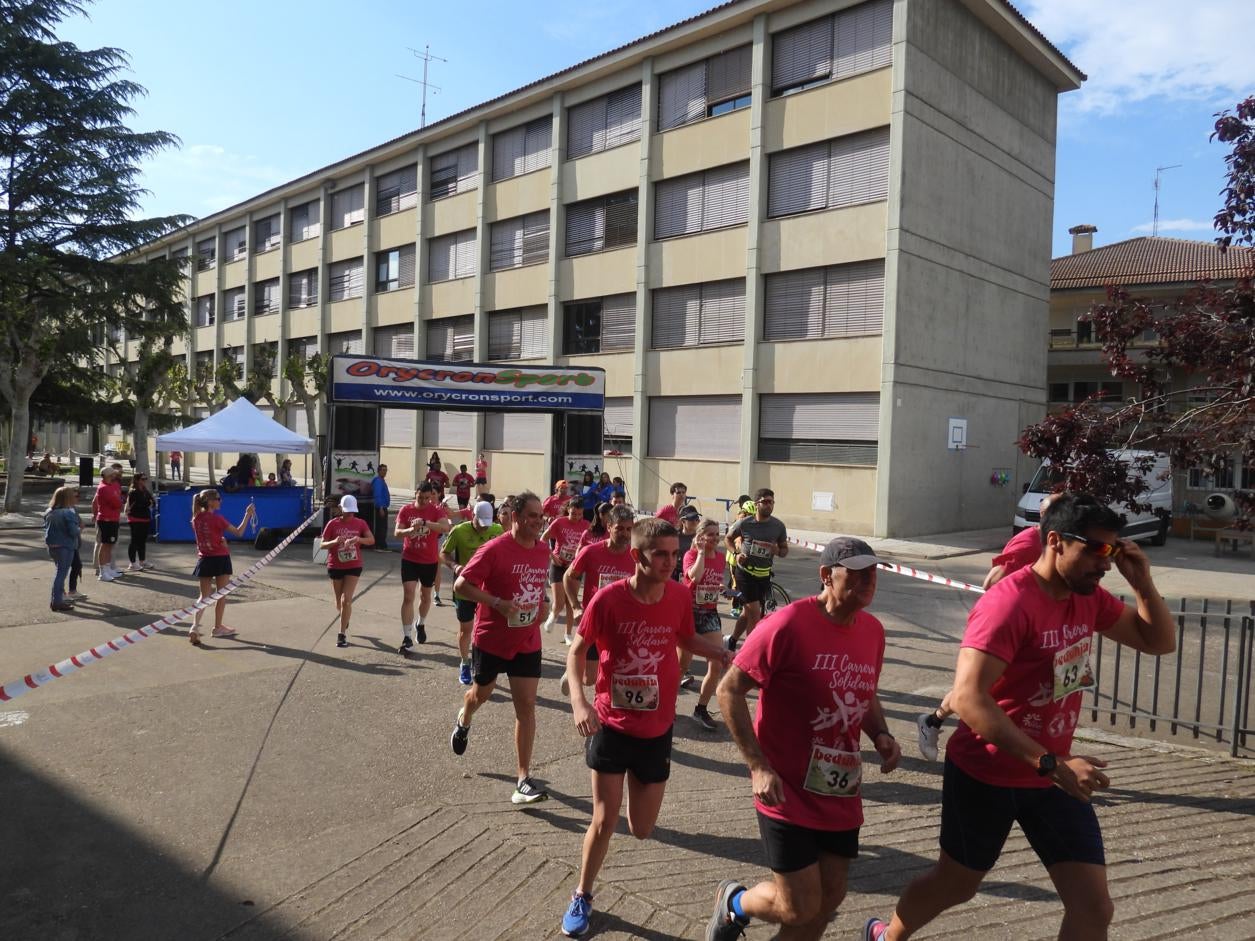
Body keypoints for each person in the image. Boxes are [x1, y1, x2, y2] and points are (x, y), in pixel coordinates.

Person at [862, 493, 1175, 941]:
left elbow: (1158, 641)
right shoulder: (1009, 604)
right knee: (957, 884)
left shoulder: (1088, 598)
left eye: (1113, 551)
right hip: (989, 772)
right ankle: (886, 936)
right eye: (1095, 549)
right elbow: (969, 698)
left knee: (1094, 906)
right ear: (1055, 541)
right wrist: (1050, 762)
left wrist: (1143, 582)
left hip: (1052, 777)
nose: (1105, 563)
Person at [707, 537, 901, 941]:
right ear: (827, 576)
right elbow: (728, 690)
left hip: (840, 789)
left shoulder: (873, 631)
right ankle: (735, 903)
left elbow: (863, 690)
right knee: (797, 906)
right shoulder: (787, 624)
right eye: (857, 573)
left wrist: (880, 733)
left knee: (828, 900)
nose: (868, 581)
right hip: (786, 789)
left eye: (873, 573)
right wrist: (758, 766)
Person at [561, 517, 733, 937]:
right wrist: (580, 702)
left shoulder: (678, 595)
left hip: (657, 728)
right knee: (604, 819)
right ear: (638, 555)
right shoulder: (608, 599)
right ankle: (582, 894)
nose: (671, 562)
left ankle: (593, 879)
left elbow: (685, 639)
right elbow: (577, 652)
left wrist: (720, 654)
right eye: (662, 554)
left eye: (675, 554)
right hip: (611, 723)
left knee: (641, 830)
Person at [917, 493, 1060, 761]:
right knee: (981, 689)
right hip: (1006, 629)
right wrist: (1022, 592)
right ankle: (938, 725)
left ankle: (933, 721)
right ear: (1045, 516)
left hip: (1037, 629)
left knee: (1008, 689)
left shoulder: (1059, 545)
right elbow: (991, 582)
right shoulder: (1029, 541)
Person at [450, 492, 551, 805]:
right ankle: (464, 718)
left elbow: (539, 585)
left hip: (527, 639)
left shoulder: (544, 550)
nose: (538, 521)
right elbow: (461, 585)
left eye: (541, 516)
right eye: (532, 515)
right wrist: (496, 603)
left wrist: (545, 603)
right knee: (480, 695)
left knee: (526, 707)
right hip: (492, 637)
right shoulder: (494, 549)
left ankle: (523, 779)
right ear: (517, 517)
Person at [563, 504, 637, 692]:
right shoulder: (591, 552)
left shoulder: (635, 556)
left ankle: (605, 712)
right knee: (589, 679)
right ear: (609, 526)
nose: (625, 533)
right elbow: (568, 577)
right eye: (620, 528)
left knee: (614, 671)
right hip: (594, 620)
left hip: (622, 623)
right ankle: (572, 673)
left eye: (628, 529)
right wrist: (576, 606)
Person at [441, 500, 505, 686]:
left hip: (487, 590)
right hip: (465, 590)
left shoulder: (497, 530)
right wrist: (455, 566)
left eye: (487, 523)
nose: (484, 529)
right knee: (466, 629)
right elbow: (443, 553)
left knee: (486, 630)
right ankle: (465, 662)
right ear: (473, 516)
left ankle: (482, 662)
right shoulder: (459, 531)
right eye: (480, 523)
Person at [189, 490, 256, 645]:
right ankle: (217, 627)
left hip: (205, 559)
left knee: (203, 596)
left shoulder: (196, 518)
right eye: (218, 499)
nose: (221, 501)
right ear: (211, 501)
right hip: (220, 559)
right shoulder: (217, 519)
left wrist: (221, 538)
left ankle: (194, 626)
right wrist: (248, 514)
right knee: (221, 594)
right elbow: (239, 532)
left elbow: (207, 536)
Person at [724, 489, 788, 651]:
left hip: (764, 574)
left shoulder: (778, 526)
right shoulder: (745, 523)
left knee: (748, 613)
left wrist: (777, 551)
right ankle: (751, 650)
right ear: (757, 504)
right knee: (754, 611)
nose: (768, 505)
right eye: (765, 502)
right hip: (745, 573)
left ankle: (732, 640)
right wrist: (736, 553)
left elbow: (784, 550)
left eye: (771, 502)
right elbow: (727, 538)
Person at [679, 516, 726, 730]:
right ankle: (666, 705)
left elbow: (711, 582)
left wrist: (720, 588)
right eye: (711, 535)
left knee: (716, 664)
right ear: (700, 537)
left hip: (709, 614)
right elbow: (695, 578)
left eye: (717, 534)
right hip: (688, 613)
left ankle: (701, 709)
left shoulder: (721, 557)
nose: (715, 539)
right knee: (682, 666)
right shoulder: (689, 555)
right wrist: (700, 553)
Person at [394, 482, 451, 652]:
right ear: (415, 494)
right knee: (408, 596)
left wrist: (426, 523)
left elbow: (445, 527)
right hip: (410, 559)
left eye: (428, 497)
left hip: (429, 561)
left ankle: (421, 623)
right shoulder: (406, 510)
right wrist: (411, 529)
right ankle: (406, 636)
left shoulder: (435, 510)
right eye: (421, 497)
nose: (425, 501)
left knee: (425, 597)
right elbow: (397, 533)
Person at [319, 494, 374, 648]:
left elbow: (371, 540)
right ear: (341, 509)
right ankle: (345, 616)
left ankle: (341, 634)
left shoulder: (360, 523)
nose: (350, 514)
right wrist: (334, 542)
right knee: (339, 602)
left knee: (346, 600)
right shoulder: (332, 524)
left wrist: (358, 540)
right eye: (347, 511)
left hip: (354, 565)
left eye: (352, 511)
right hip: (335, 565)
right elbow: (322, 545)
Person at [541, 498, 590, 638]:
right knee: (560, 602)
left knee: (571, 602)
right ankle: (554, 613)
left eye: (580, 514)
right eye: (574, 513)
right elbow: (543, 539)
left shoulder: (586, 525)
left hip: (574, 567)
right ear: (568, 509)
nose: (576, 517)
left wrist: (579, 560)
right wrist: (551, 556)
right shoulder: (560, 522)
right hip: (558, 564)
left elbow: (589, 546)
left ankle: (568, 635)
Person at [43, 485, 81, 612]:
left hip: (52, 546)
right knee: (61, 574)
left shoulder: (49, 511)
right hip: (65, 546)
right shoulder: (67, 513)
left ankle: (57, 600)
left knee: (59, 572)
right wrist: (79, 529)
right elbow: (73, 532)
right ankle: (57, 601)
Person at [93, 466, 124, 582]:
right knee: (105, 545)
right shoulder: (104, 488)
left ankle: (107, 568)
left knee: (110, 544)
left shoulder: (112, 485)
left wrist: (119, 501)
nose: (115, 475)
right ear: (108, 475)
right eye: (113, 474)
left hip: (113, 519)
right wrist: (119, 502)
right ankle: (102, 571)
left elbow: (119, 500)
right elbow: (117, 503)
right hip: (106, 520)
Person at [124, 472, 154, 572]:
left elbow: (152, 501)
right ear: (137, 480)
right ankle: (132, 563)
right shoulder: (133, 491)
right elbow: (139, 504)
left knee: (142, 541)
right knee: (135, 541)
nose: (144, 481)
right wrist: (147, 503)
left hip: (145, 517)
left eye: (145, 479)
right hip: (135, 518)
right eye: (142, 479)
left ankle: (142, 560)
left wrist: (149, 503)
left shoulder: (145, 490)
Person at [672, 504, 700, 581]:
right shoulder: (674, 536)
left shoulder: (700, 538)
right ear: (683, 521)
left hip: (693, 573)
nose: (695, 521)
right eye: (691, 518)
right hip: (675, 573)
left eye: (697, 518)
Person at [370, 464, 391, 551]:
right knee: (381, 526)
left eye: (385, 470)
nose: (384, 472)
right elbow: (378, 495)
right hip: (381, 507)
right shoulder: (378, 481)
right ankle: (380, 544)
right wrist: (381, 507)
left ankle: (381, 544)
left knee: (383, 526)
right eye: (383, 470)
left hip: (383, 506)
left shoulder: (382, 481)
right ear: (379, 471)